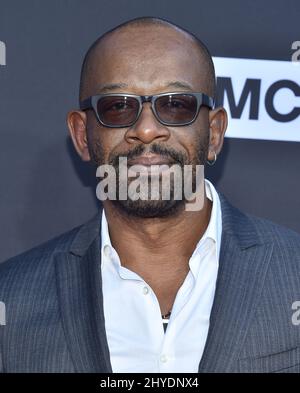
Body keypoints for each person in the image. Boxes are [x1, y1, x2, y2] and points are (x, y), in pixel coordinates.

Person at [0, 16, 300, 373]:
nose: (145, 129)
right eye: (118, 106)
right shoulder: (12, 301)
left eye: (176, 105)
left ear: (215, 133)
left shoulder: (292, 273)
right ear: (82, 136)